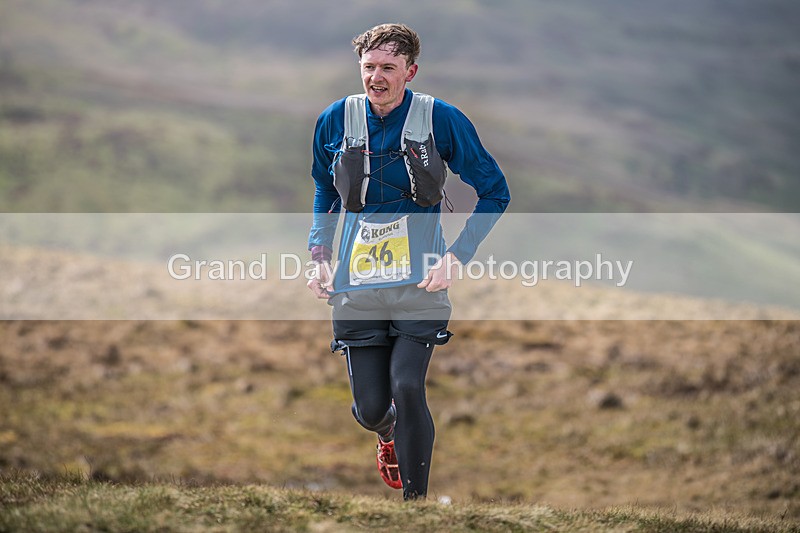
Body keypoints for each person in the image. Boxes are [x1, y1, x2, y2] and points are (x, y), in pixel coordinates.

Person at [307, 23, 510, 500]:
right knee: (371, 409)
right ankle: (386, 434)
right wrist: (319, 254)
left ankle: (415, 508)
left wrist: (457, 257)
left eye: (388, 68)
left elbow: (495, 192)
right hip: (357, 281)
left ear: (410, 72)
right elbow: (323, 188)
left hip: (421, 282)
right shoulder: (335, 119)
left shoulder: (442, 120)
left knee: (408, 385)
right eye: (369, 67)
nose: (376, 78)